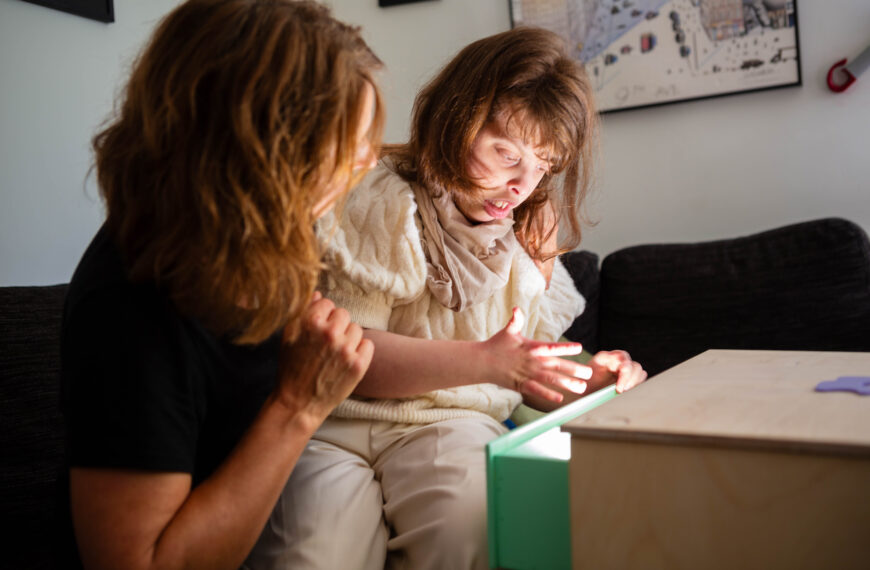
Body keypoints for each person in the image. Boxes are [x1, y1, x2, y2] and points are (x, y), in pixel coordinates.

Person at [248, 26, 648, 570]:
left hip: (453, 423)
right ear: (455, 115)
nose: (520, 185)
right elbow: (349, 357)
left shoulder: (534, 227)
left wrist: (590, 382)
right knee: (313, 551)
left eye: (544, 166)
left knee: (472, 523)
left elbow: (525, 369)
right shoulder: (381, 196)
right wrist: (487, 362)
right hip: (336, 423)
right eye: (505, 153)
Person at [59, 1, 385, 568]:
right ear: (262, 150)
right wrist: (297, 406)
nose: (367, 161)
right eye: (345, 143)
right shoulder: (130, 309)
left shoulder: (270, 240)